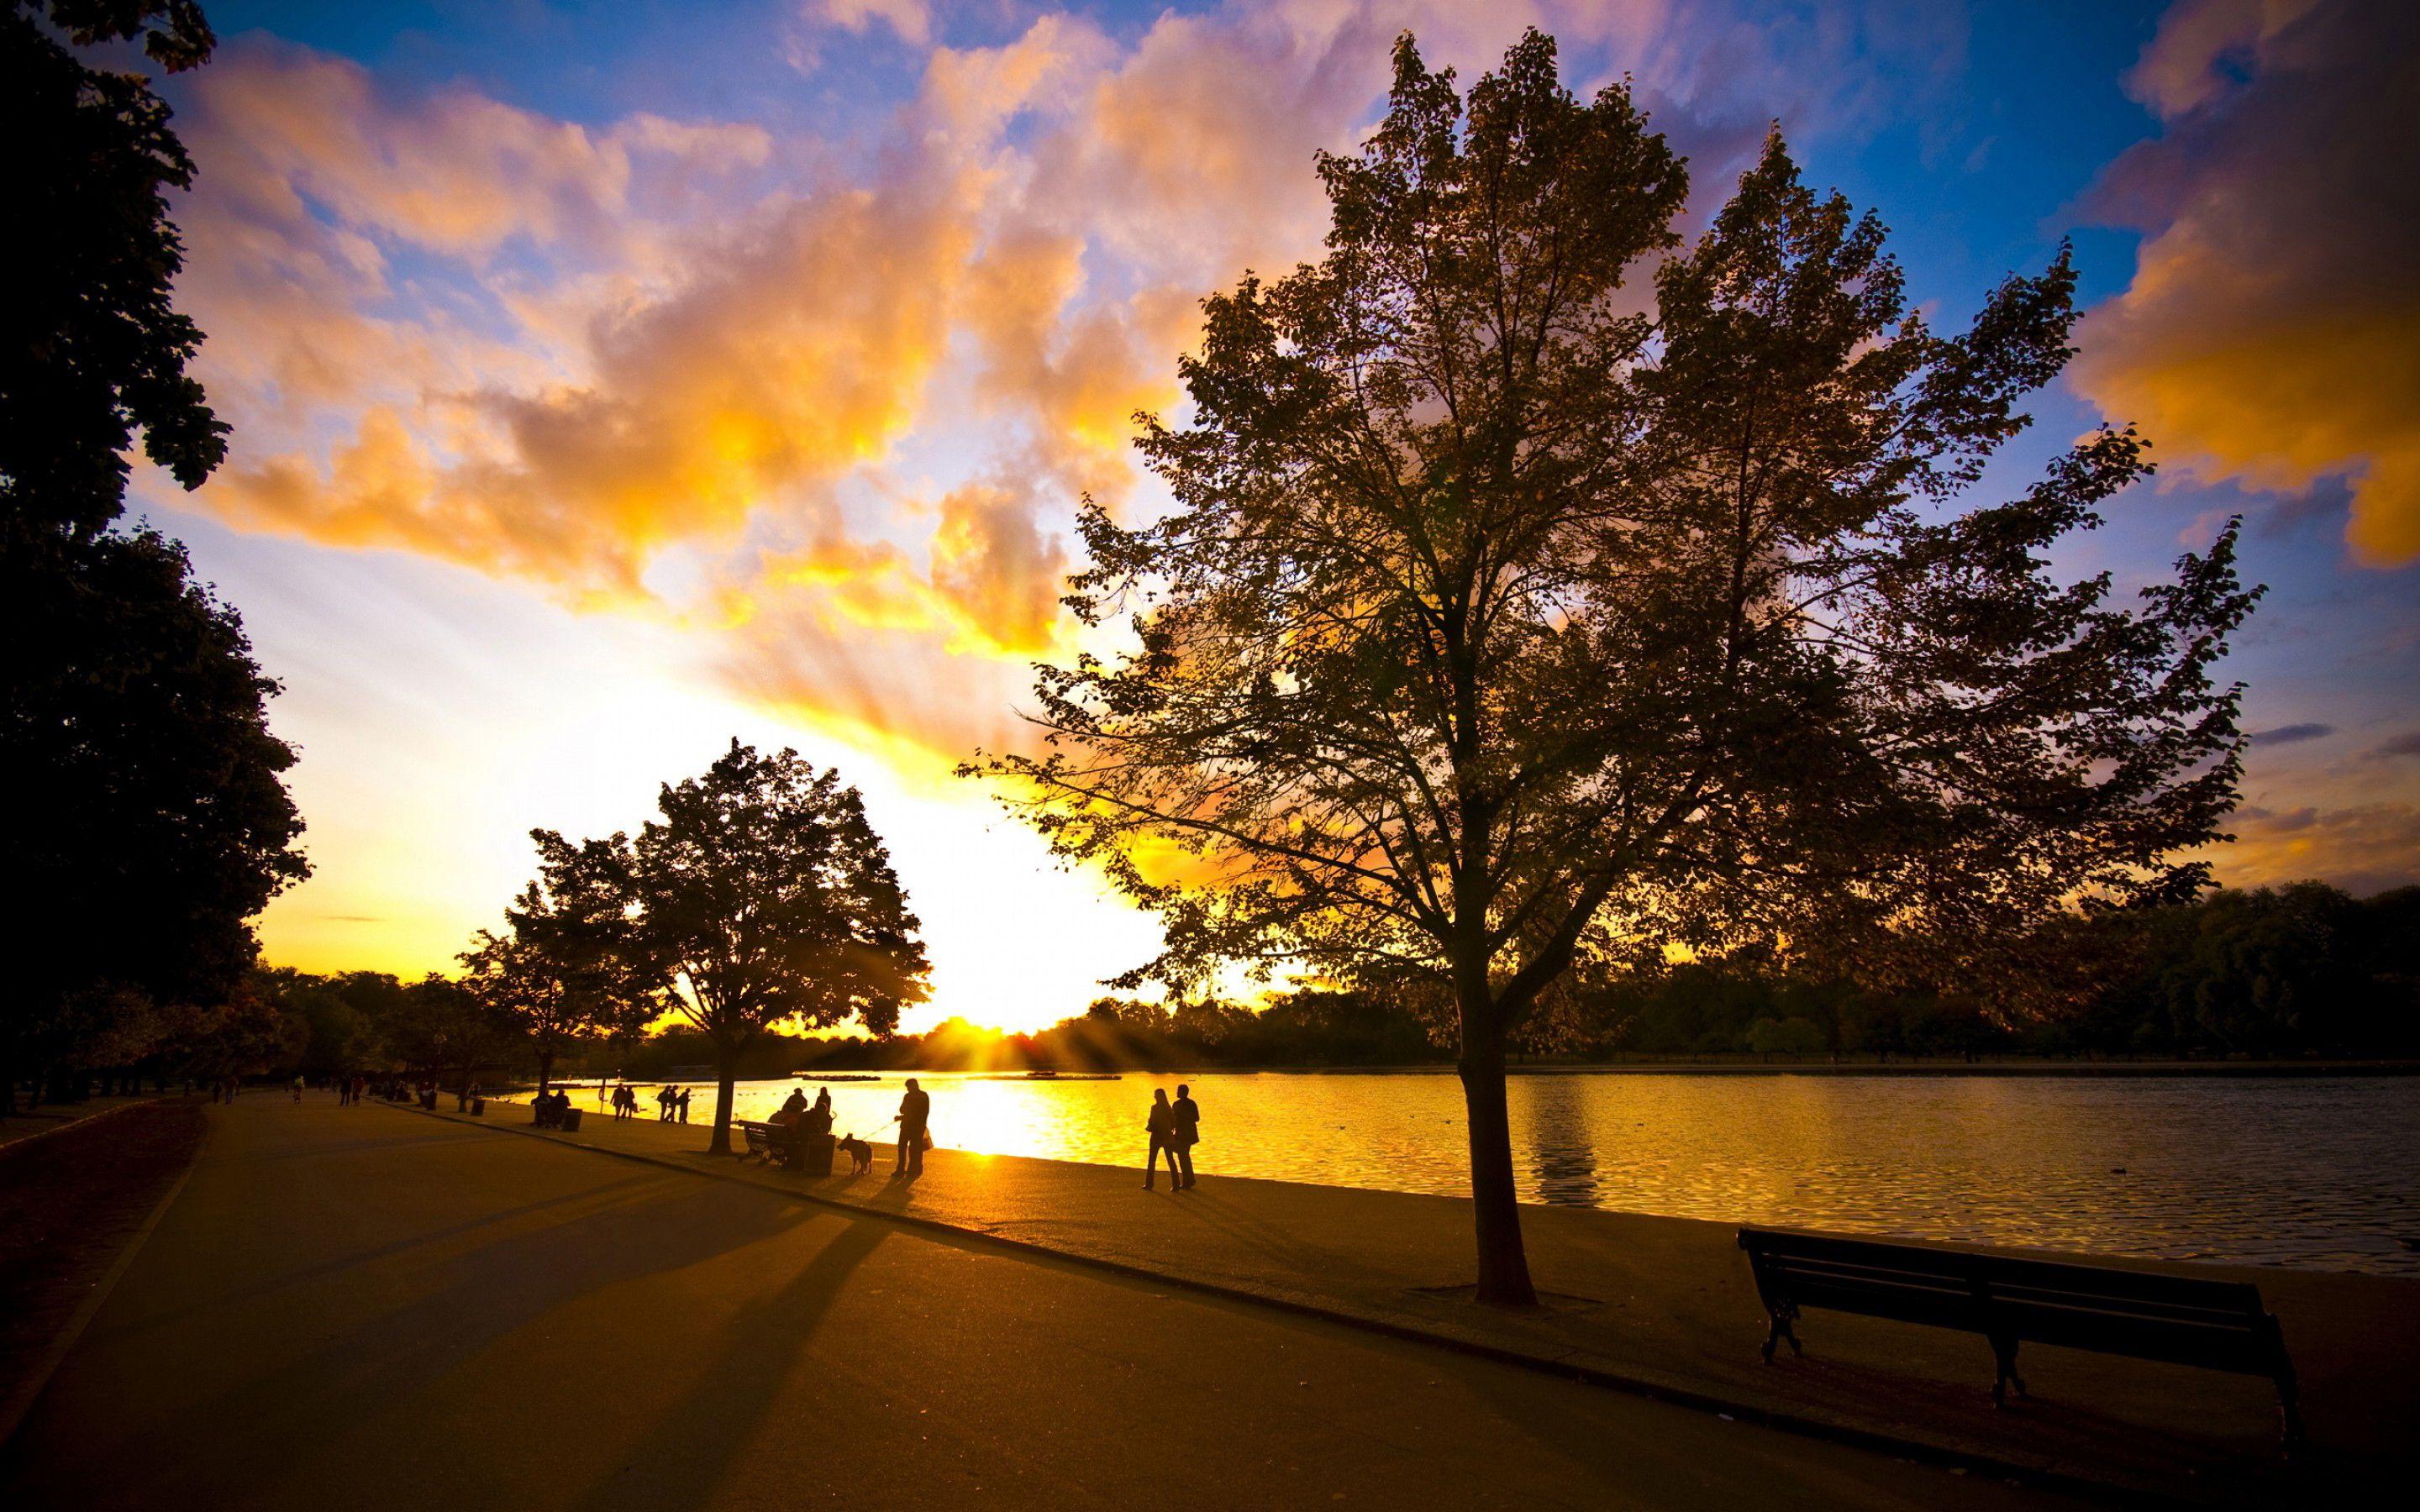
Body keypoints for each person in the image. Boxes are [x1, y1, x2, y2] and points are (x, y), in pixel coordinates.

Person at [1143, 1089, 1181, 1190]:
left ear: (1158, 1097)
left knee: (1152, 1161)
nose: (1154, 1097)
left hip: (1157, 1136)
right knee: (1170, 1160)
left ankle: (1149, 1184)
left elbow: (1152, 1121)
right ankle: (1176, 1184)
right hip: (1167, 1136)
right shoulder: (1168, 1108)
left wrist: (1149, 1127)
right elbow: (1173, 1122)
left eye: (1155, 1095)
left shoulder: (1154, 1108)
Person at [891, 1078, 930, 1176]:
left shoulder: (908, 1096)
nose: (907, 1089)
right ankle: (914, 1169)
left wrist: (900, 1117)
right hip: (918, 1126)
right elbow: (924, 1113)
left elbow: (903, 1110)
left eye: (908, 1087)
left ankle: (901, 1170)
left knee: (902, 1147)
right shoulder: (924, 1095)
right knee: (915, 1148)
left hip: (908, 1126)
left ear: (913, 1086)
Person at [1171, 1084, 1201, 1189]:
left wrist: (1184, 1116)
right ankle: (1189, 1180)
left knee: (1183, 1156)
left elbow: (1196, 1118)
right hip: (1179, 1133)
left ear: (1184, 1092)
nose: (1177, 1093)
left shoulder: (1191, 1104)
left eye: (1179, 1091)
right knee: (1183, 1156)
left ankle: (1188, 1181)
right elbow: (1172, 1118)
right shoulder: (1176, 1104)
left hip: (1187, 1134)